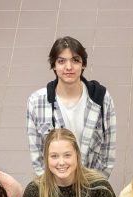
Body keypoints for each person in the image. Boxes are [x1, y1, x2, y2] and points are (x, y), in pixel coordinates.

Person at [26, 36, 116, 177]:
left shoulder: (101, 98)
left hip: (92, 185)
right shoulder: (36, 102)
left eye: (75, 60)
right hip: (54, 186)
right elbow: (37, 155)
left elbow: (108, 150)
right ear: (54, 66)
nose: (69, 67)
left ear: (83, 64)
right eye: (61, 61)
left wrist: (96, 186)